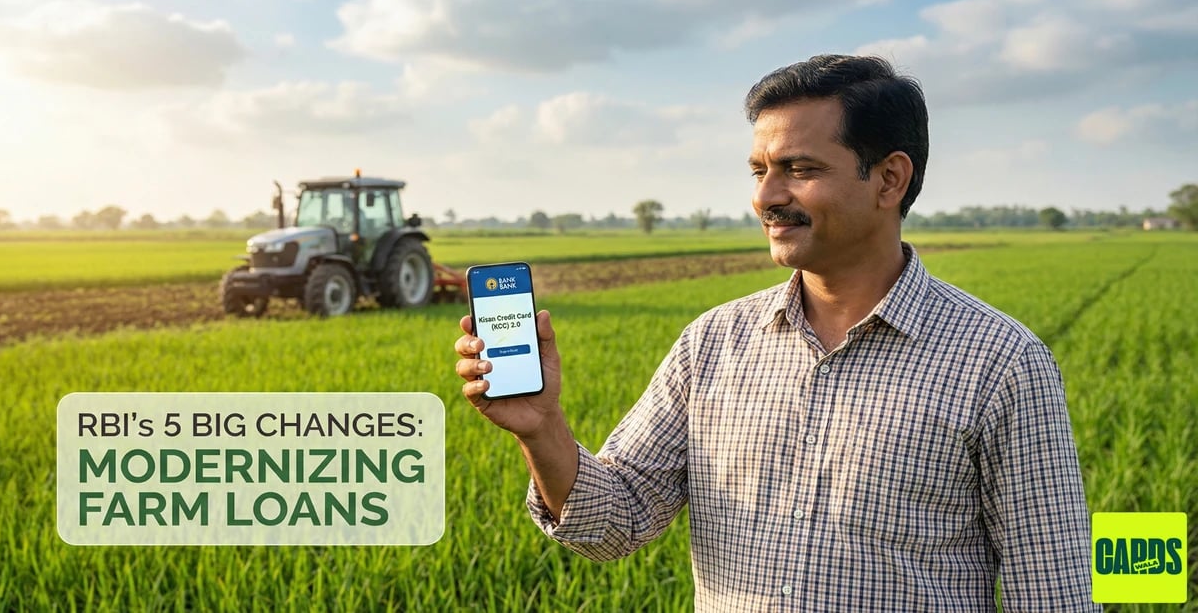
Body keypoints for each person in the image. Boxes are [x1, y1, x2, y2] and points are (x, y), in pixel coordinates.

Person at [453, 54, 1096, 611]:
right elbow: (613, 523)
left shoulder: (1000, 362)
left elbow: (1053, 589)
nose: (767, 196)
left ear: (889, 179)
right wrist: (543, 429)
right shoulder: (712, 344)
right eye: (759, 170)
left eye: (800, 169)